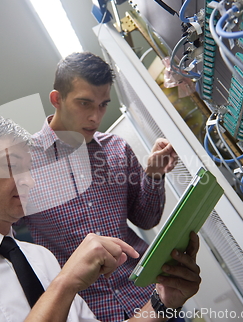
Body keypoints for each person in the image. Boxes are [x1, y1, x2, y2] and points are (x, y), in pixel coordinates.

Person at [0, 115, 201, 322]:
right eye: (11, 165)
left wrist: (163, 302)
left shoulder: (42, 259)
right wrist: (64, 285)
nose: (29, 181)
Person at [21, 52, 179, 321]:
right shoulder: (21, 164)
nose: (96, 117)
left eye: (103, 104)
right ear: (57, 99)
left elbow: (146, 218)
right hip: (89, 313)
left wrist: (153, 175)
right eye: (85, 103)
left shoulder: (117, 149)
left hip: (153, 298)